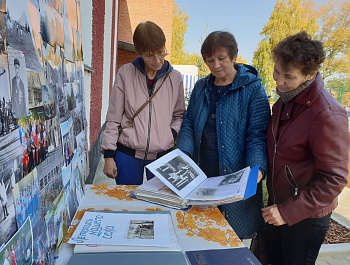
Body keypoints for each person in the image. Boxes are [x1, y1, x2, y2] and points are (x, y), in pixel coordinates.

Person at [262, 31, 349, 264]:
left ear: (310, 74)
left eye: (288, 76)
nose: (278, 81)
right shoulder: (285, 100)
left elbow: (334, 179)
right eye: (277, 71)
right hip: (279, 204)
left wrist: (288, 211)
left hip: (305, 215)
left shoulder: (328, 114)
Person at [176, 31, 271, 238]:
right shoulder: (201, 87)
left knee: (230, 239)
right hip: (202, 177)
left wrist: (257, 170)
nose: (216, 65)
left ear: (234, 56)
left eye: (221, 59)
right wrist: (181, 155)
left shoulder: (253, 89)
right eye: (210, 60)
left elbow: (257, 135)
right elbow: (189, 124)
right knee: (201, 234)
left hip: (235, 178)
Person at [101, 21, 186, 185]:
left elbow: (179, 114)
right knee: (128, 205)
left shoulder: (175, 78)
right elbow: (113, 117)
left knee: (159, 206)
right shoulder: (125, 73)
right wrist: (109, 155)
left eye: (161, 53)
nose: (157, 60)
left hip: (163, 156)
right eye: (149, 55)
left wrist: (172, 134)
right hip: (127, 154)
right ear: (139, 52)